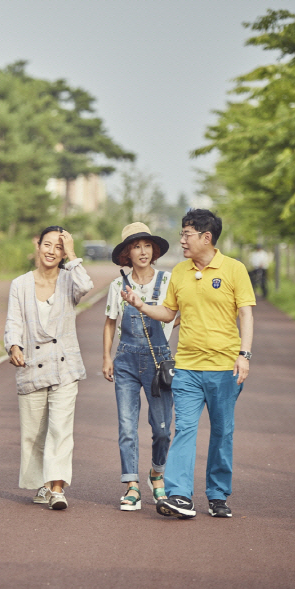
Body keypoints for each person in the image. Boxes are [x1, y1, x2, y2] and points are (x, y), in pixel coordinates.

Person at [121, 209, 255, 519]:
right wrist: (142, 305)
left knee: (222, 432)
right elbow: (169, 313)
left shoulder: (234, 270)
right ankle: (179, 495)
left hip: (225, 368)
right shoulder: (180, 272)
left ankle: (217, 494)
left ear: (206, 238)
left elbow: (246, 314)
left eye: (187, 234)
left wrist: (244, 355)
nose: (181, 240)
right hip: (187, 368)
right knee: (184, 430)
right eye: (182, 234)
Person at [4, 226, 93, 510]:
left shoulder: (70, 280)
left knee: (60, 429)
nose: (52, 251)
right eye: (48, 244)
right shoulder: (20, 284)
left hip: (65, 366)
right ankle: (42, 484)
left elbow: (87, 287)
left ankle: (57, 488)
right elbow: (14, 321)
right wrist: (13, 346)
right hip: (31, 366)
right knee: (34, 432)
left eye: (59, 246)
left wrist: (73, 254)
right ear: (37, 244)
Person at [103, 222, 176, 511]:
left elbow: (175, 314)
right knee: (127, 426)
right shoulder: (117, 286)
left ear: (154, 250)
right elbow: (110, 322)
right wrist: (107, 357)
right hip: (126, 362)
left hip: (159, 362)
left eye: (147, 245)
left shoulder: (168, 281)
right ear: (126, 254)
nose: (143, 251)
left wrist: (169, 329)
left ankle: (156, 473)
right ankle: (132, 485)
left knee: (162, 429)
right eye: (136, 246)